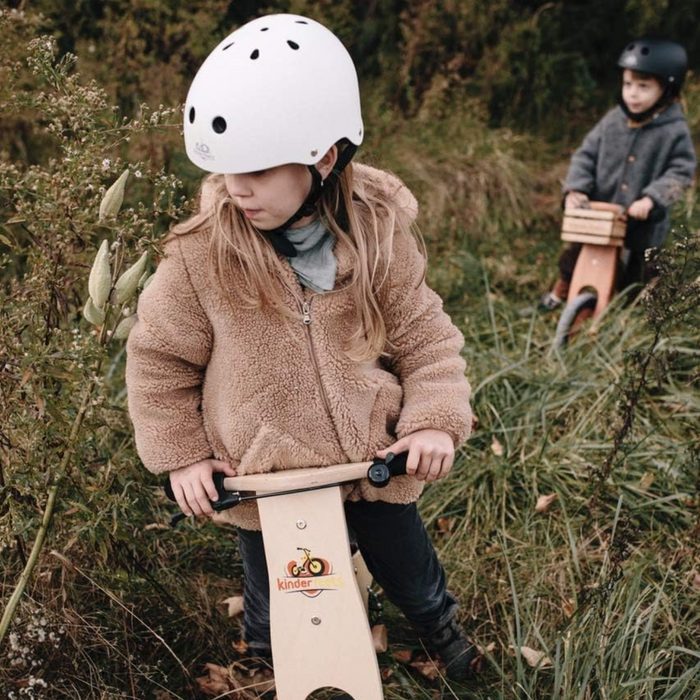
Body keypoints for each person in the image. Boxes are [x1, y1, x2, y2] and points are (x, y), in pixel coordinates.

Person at [125, 14, 476, 682]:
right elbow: (160, 361)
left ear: (322, 156)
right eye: (227, 170)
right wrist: (182, 457)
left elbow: (427, 340)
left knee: (412, 571)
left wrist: (433, 421)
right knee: (276, 600)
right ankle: (263, 666)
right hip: (269, 474)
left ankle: (441, 633)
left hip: (375, 464)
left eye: (256, 169)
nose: (237, 188)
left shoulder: (377, 235)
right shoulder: (203, 254)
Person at [539, 38, 696, 311]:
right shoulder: (613, 121)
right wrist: (576, 189)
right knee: (575, 257)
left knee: (642, 269)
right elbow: (585, 154)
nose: (633, 94)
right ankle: (560, 292)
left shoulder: (673, 130)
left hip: (642, 222)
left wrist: (651, 199)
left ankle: (641, 312)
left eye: (643, 86)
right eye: (628, 84)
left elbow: (681, 172)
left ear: (667, 88)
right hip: (601, 213)